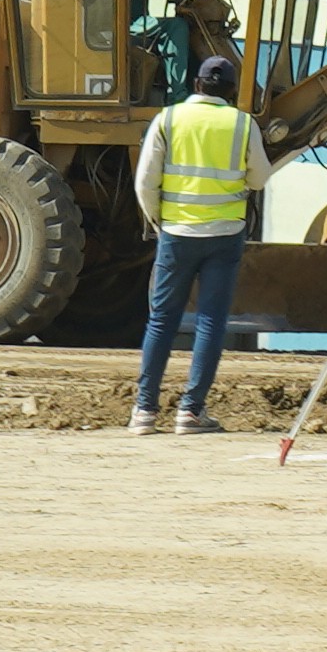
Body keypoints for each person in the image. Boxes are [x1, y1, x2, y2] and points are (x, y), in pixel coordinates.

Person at [131, 54, 265, 435]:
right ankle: (191, 412)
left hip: (177, 234)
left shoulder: (168, 119)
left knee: (161, 320)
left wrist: (161, 221)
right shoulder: (242, 124)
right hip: (224, 236)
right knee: (210, 322)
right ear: (232, 90)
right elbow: (260, 178)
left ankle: (144, 411)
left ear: (196, 84)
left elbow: (145, 182)